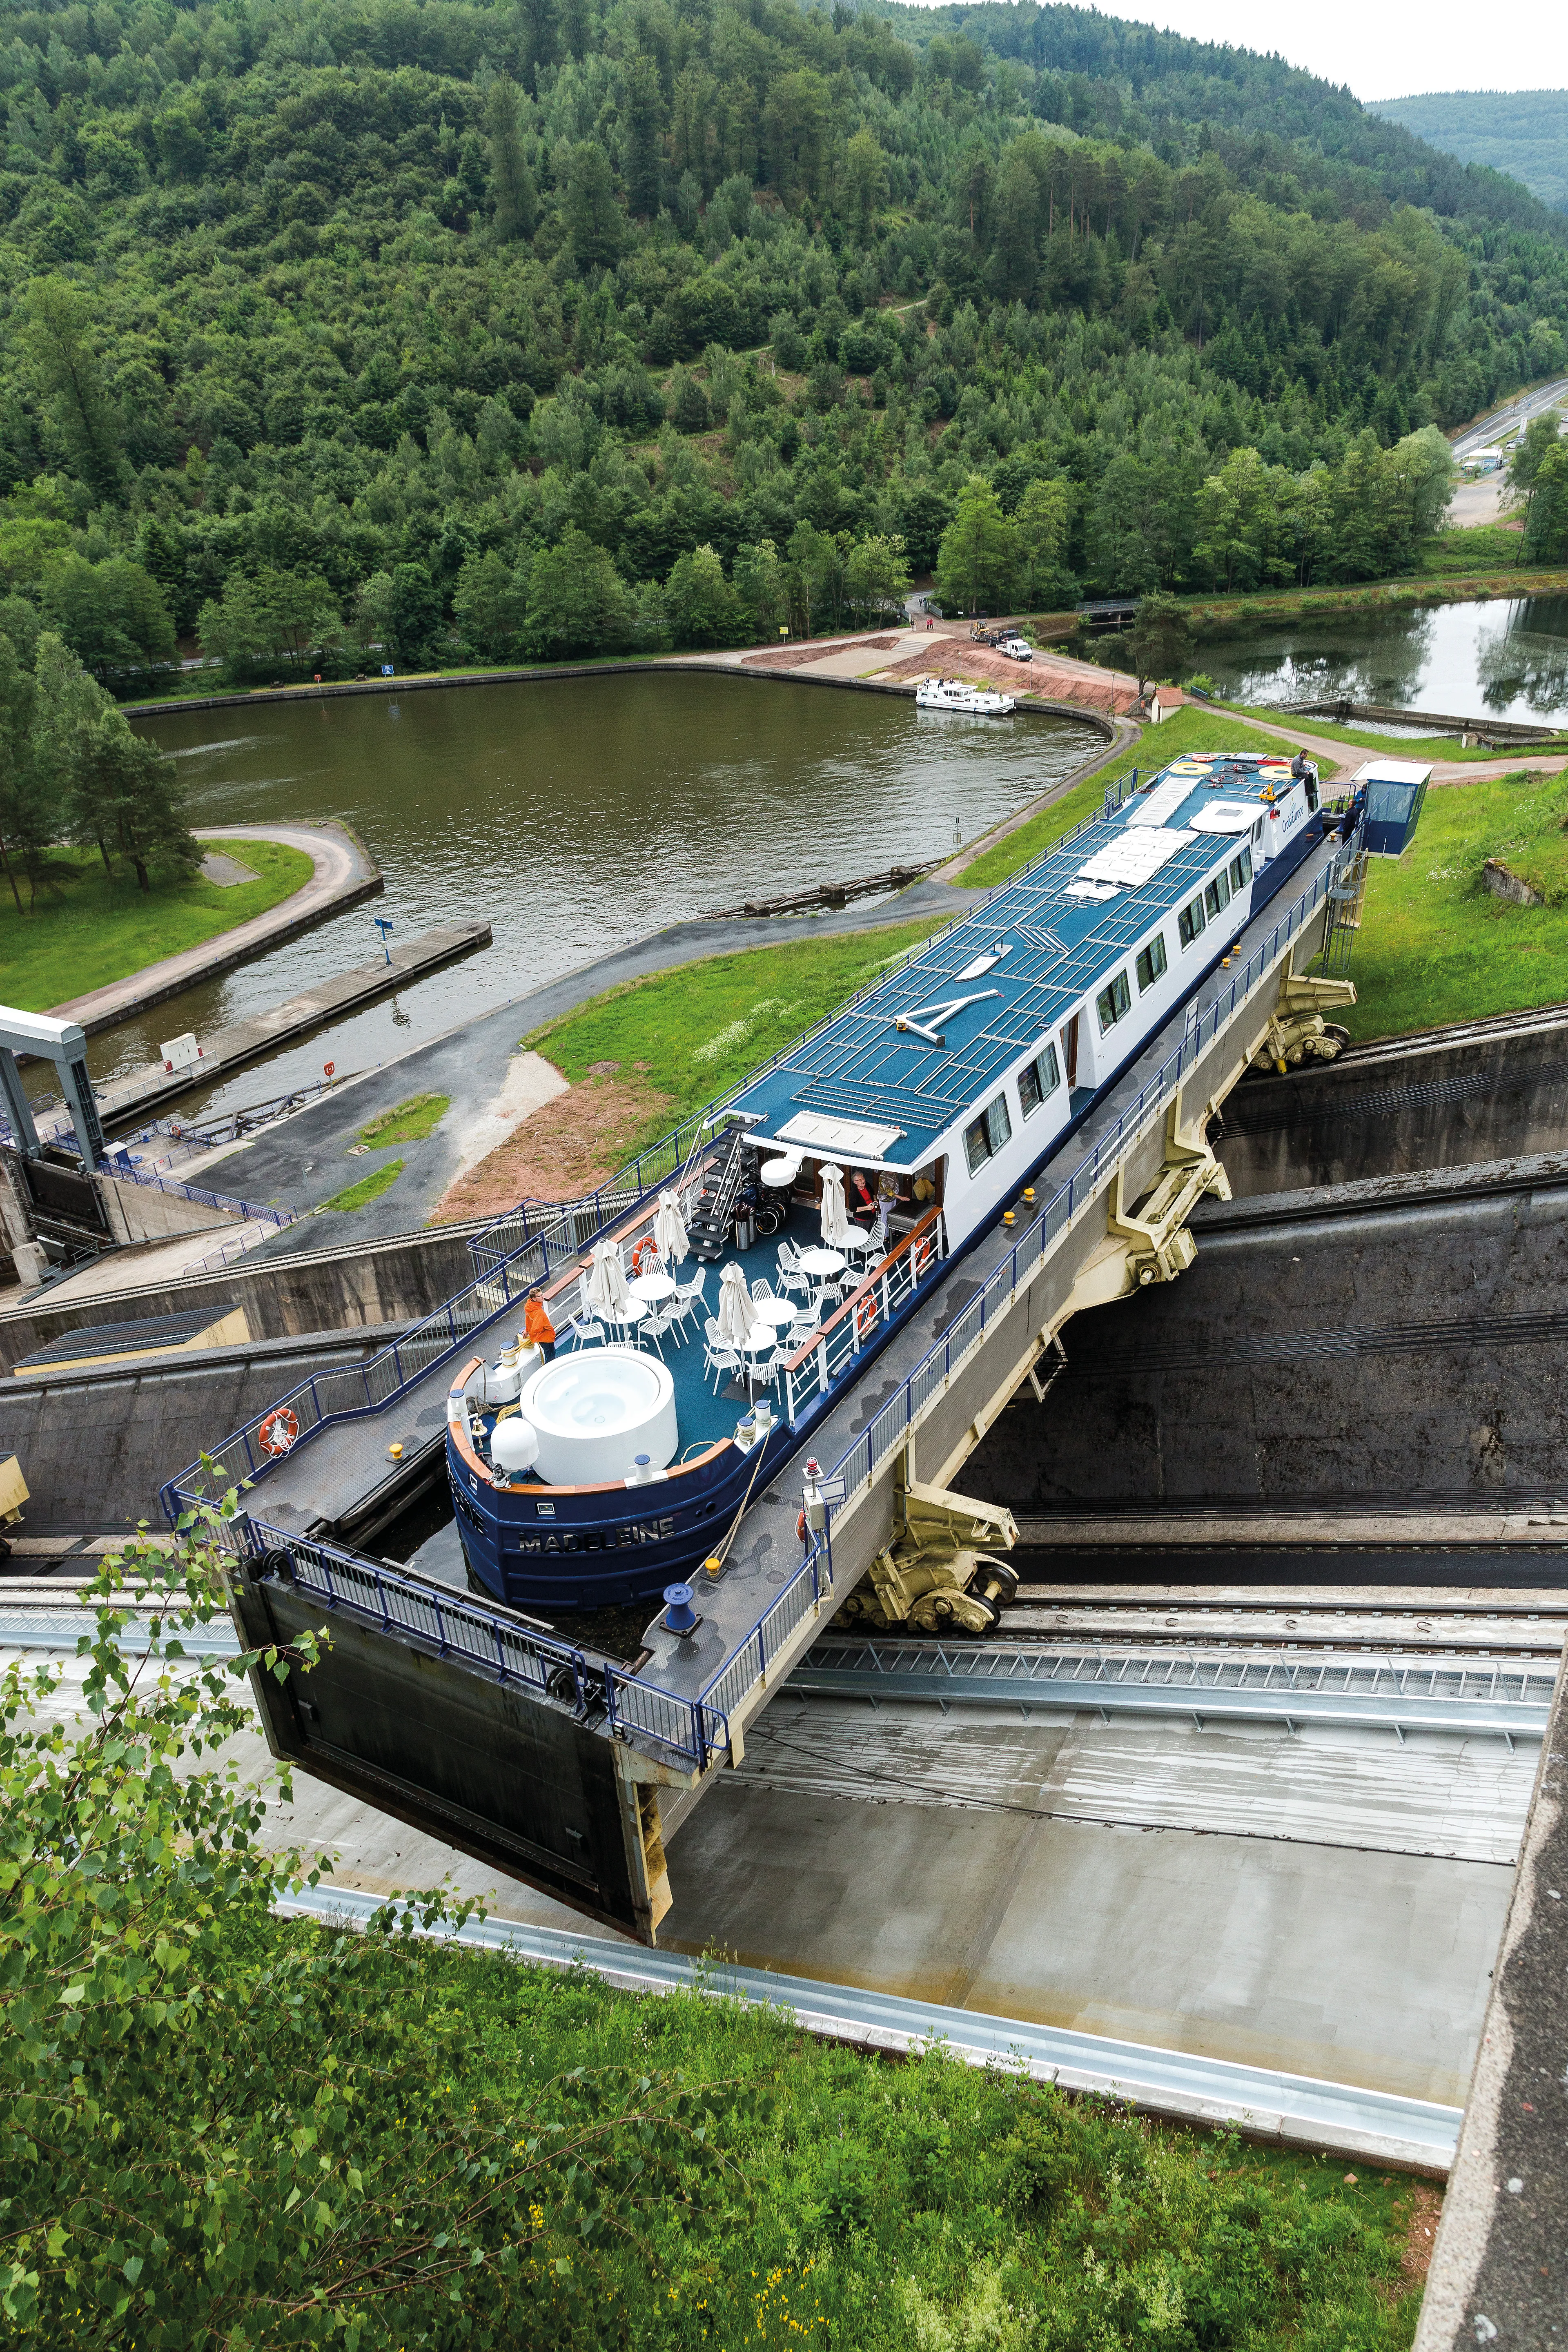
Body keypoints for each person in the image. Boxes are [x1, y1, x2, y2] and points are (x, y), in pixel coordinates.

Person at [523, 1289, 556, 1359]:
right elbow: (536, 1328)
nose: (542, 1296)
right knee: (551, 1354)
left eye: (542, 1294)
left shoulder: (529, 1306)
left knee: (548, 1353)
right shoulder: (539, 1313)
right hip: (545, 1337)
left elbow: (528, 1318)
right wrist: (544, 1328)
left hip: (540, 1338)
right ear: (534, 1299)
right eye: (540, 1296)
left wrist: (527, 1330)